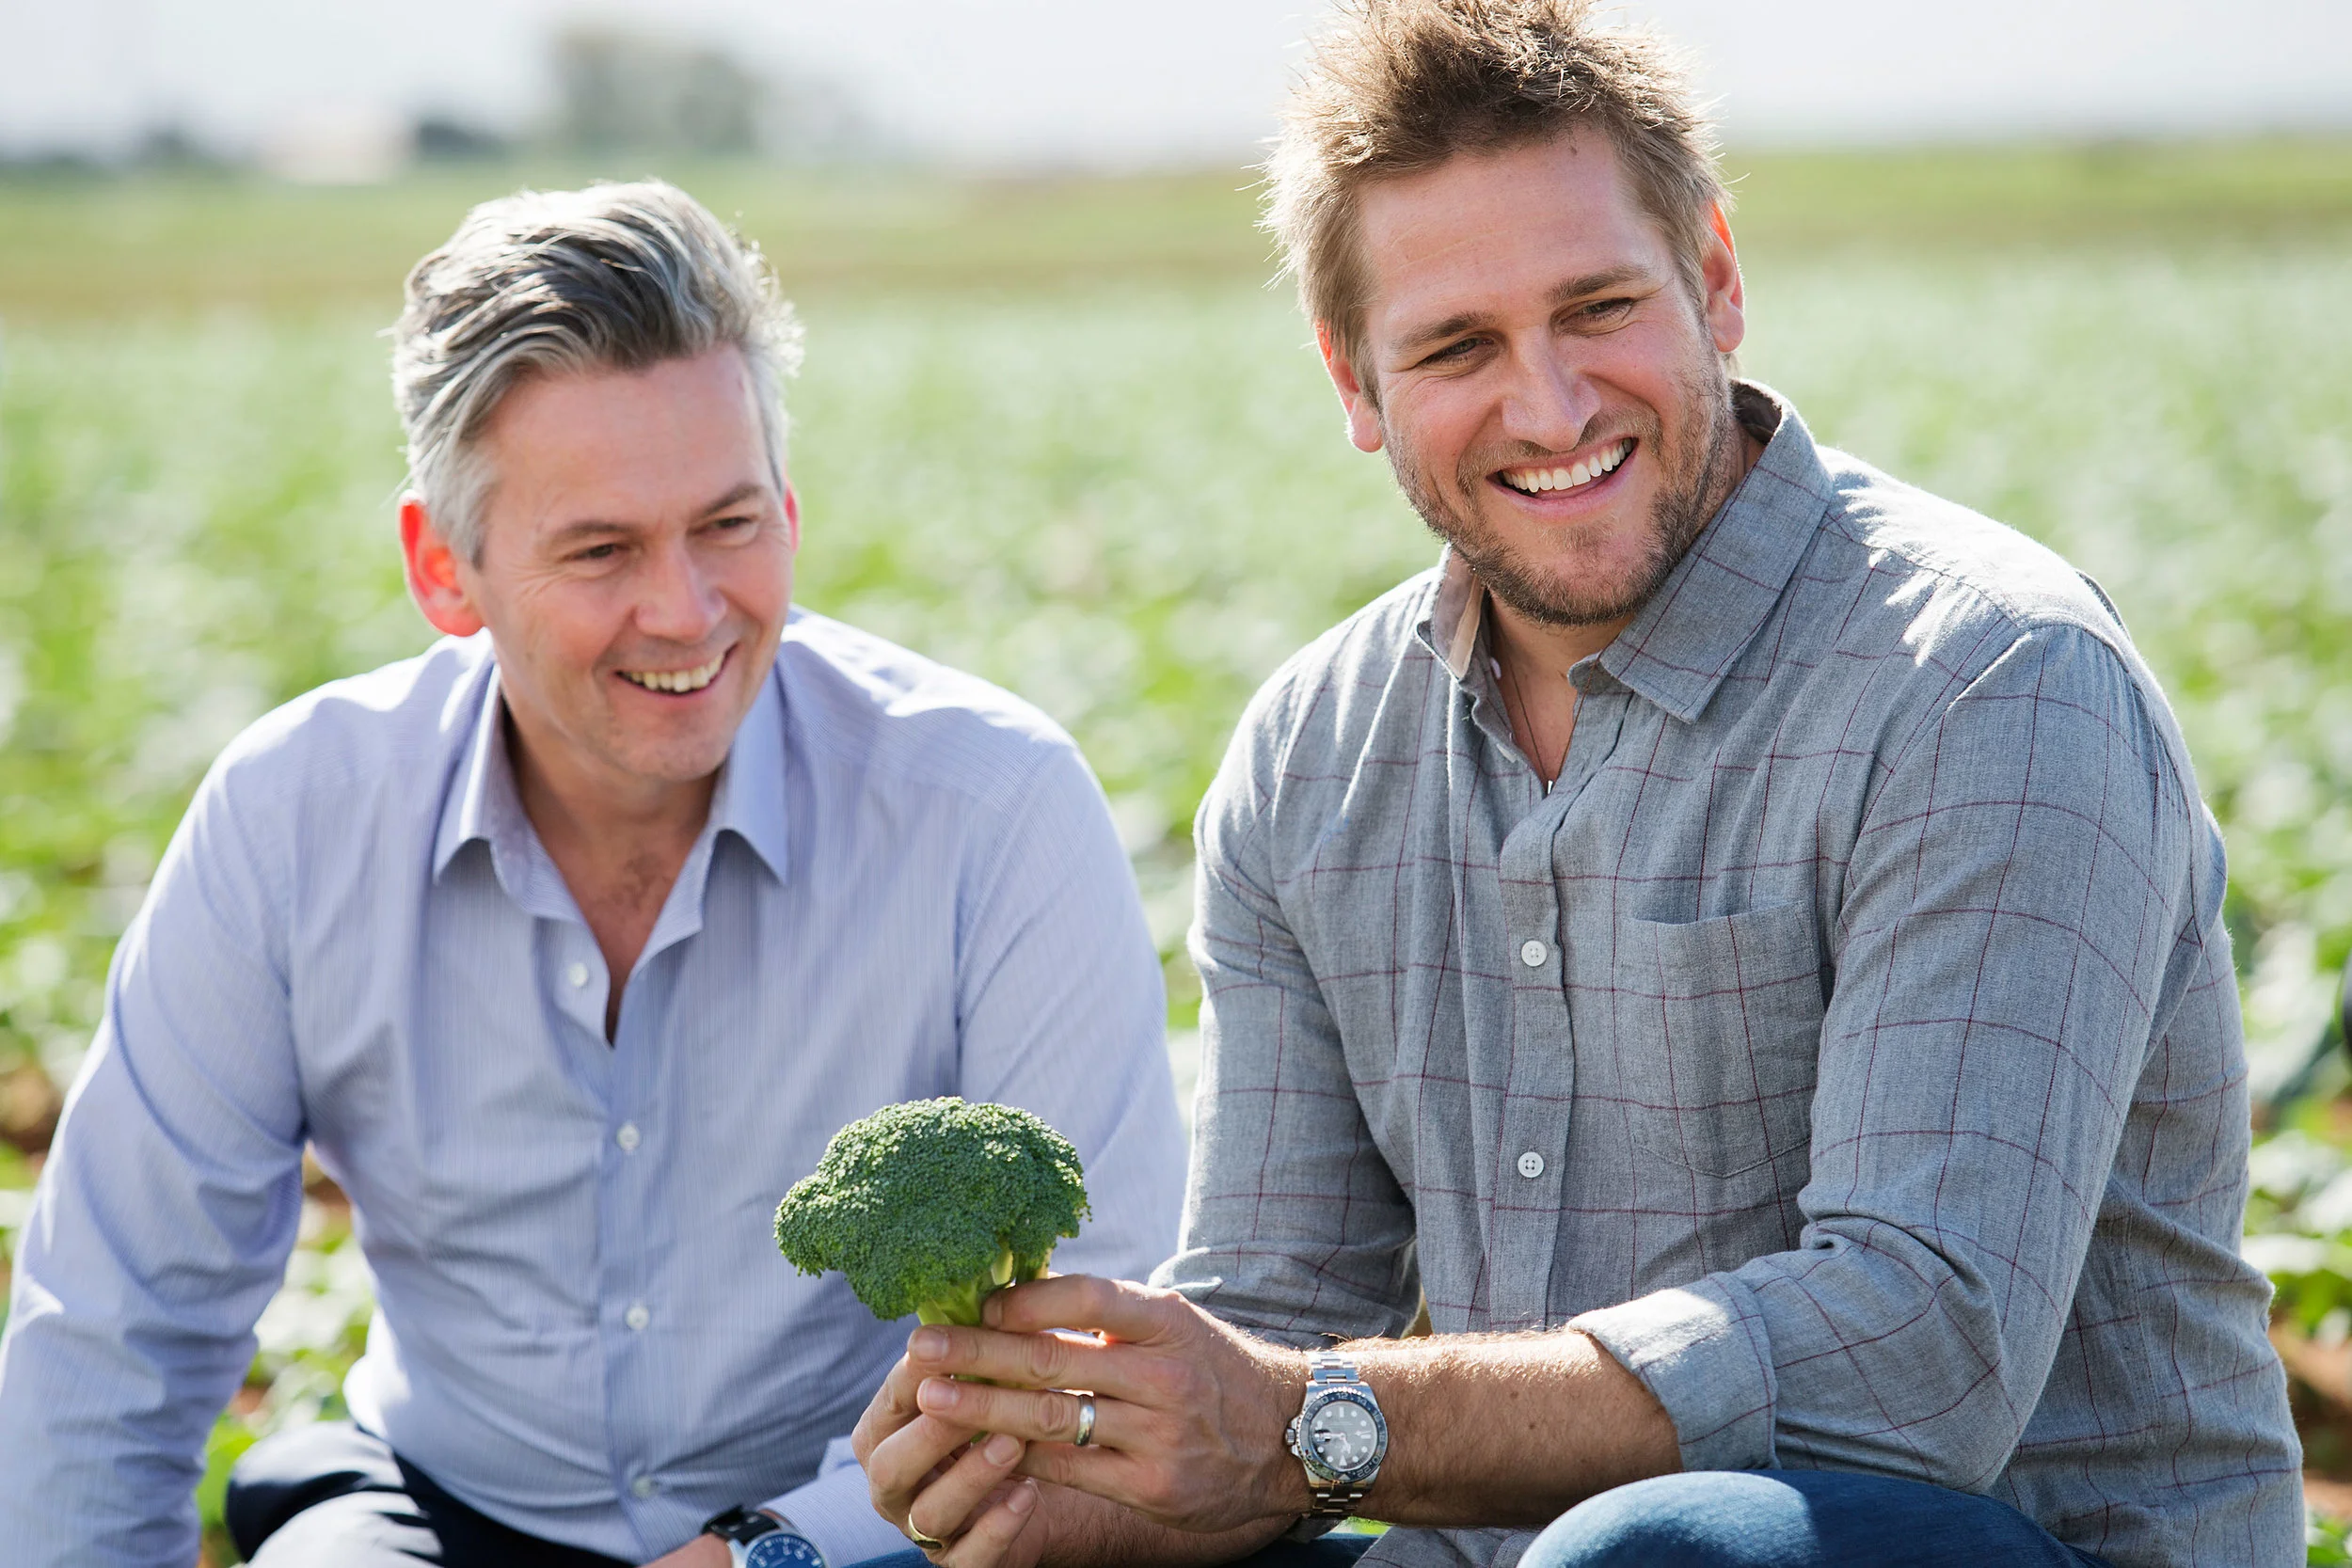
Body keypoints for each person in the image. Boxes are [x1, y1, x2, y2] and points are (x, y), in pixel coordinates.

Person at [847, 4, 2303, 1566]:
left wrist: (1303, 1426)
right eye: (1457, 346)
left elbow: (1917, 1358)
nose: (1548, 408)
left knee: (1665, 1553)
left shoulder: (1988, 682)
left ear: (1717, 279)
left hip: (2002, 1541)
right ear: (1354, 381)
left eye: (1599, 307)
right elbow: (1272, 1319)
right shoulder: (1313, 755)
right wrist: (1069, 1476)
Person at [0, 181, 1186, 1568]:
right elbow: (119, 1333)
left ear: (790, 508)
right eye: (603, 549)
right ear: (447, 569)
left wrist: (767, 1550)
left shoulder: (993, 809)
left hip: (857, 1530)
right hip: (439, 1507)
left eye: (730, 524)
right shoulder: (290, 820)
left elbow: (1093, 1351)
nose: (685, 610)